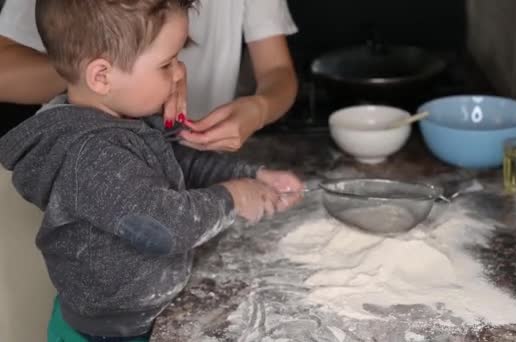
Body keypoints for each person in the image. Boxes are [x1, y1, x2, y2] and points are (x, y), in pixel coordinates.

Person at [0, 0, 303, 340]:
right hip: (109, 335)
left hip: (142, 319)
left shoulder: (123, 122)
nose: (179, 73)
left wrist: (253, 174)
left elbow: (182, 162)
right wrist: (232, 198)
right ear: (101, 76)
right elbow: (163, 226)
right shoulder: (93, 154)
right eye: (166, 64)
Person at [0, 0, 298, 151]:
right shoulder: (88, 163)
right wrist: (104, 80)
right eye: (168, 60)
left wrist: (259, 109)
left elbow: (278, 71)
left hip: (193, 163)